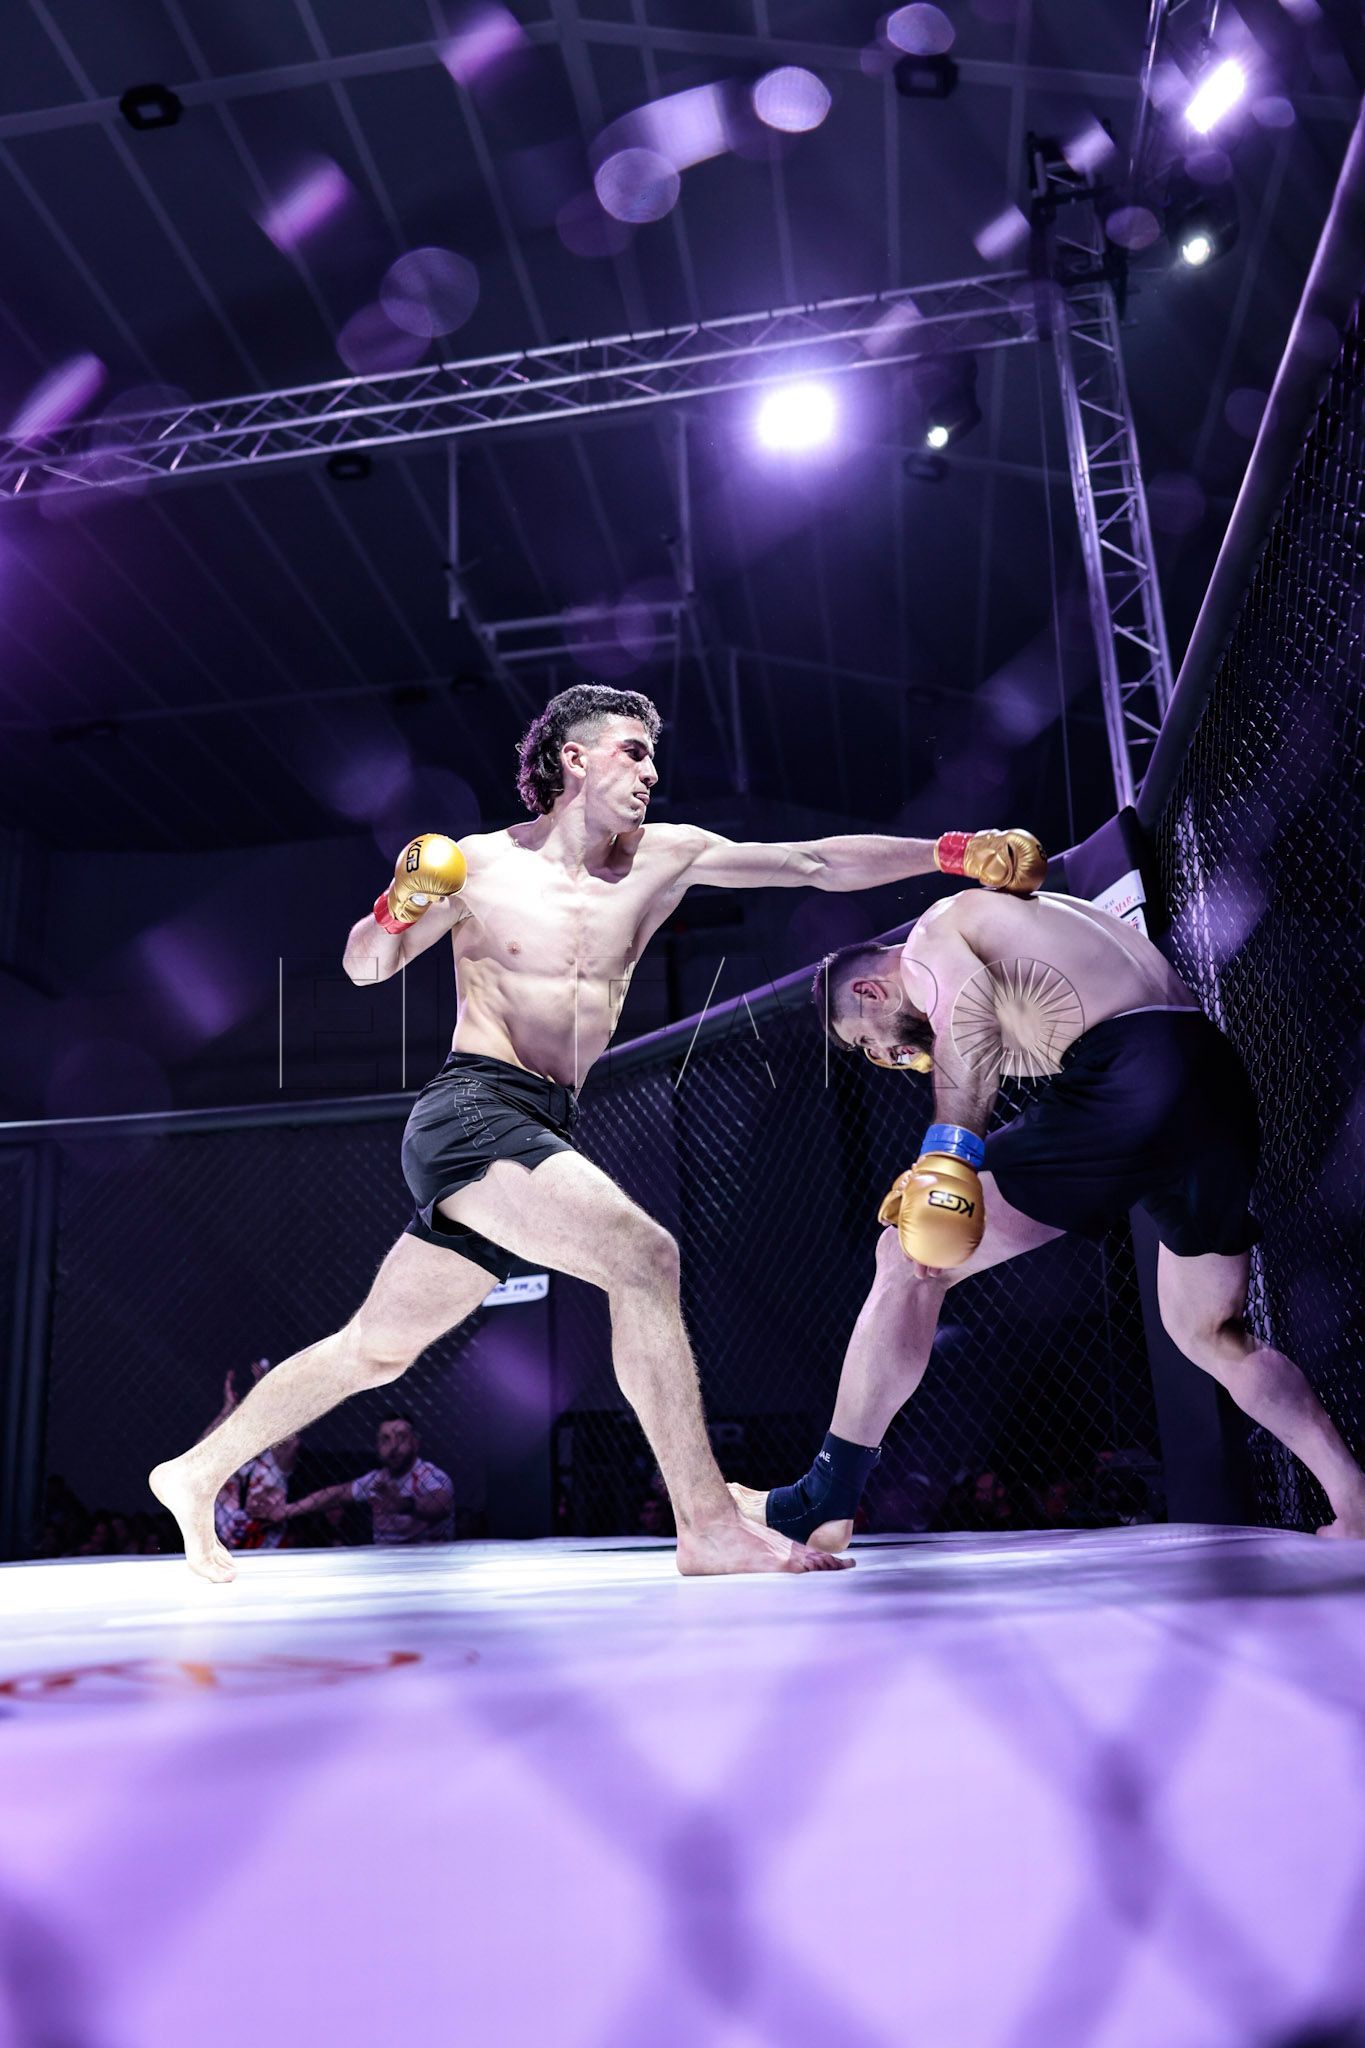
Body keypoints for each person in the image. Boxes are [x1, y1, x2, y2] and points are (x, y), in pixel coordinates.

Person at [151, 681, 1044, 1582]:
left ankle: (193, 1473)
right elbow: (364, 968)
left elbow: (812, 862)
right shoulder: (479, 865)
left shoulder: (665, 857)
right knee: (643, 1256)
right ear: (573, 758)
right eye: (634, 751)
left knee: (373, 1350)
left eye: (653, 756)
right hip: (473, 1110)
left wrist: (953, 850)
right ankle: (706, 1526)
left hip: (542, 1123)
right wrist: (400, 900)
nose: (651, 772)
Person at [732, 884, 1365, 1548]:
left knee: (906, 1255)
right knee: (1206, 1329)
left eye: (867, 1041)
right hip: (1208, 1079)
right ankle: (1354, 1501)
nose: (883, 1058)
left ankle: (825, 1497)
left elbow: (972, 1030)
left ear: (869, 992)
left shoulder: (927, 942)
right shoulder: (1024, 930)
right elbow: (1020, 1032)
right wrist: (934, 1056)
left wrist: (946, 1159)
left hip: (1130, 1074)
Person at [271, 1415, 454, 1547]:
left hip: (426, 1557)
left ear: (415, 1443)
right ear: (377, 1446)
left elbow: (441, 1505)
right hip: (385, 1560)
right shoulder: (377, 1479)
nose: (393, 1446)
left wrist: (405, 1505)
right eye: (385, 1440)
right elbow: (336, 1495)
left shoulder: (430, 1475)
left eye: (401, 1438)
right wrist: (287, 1510)